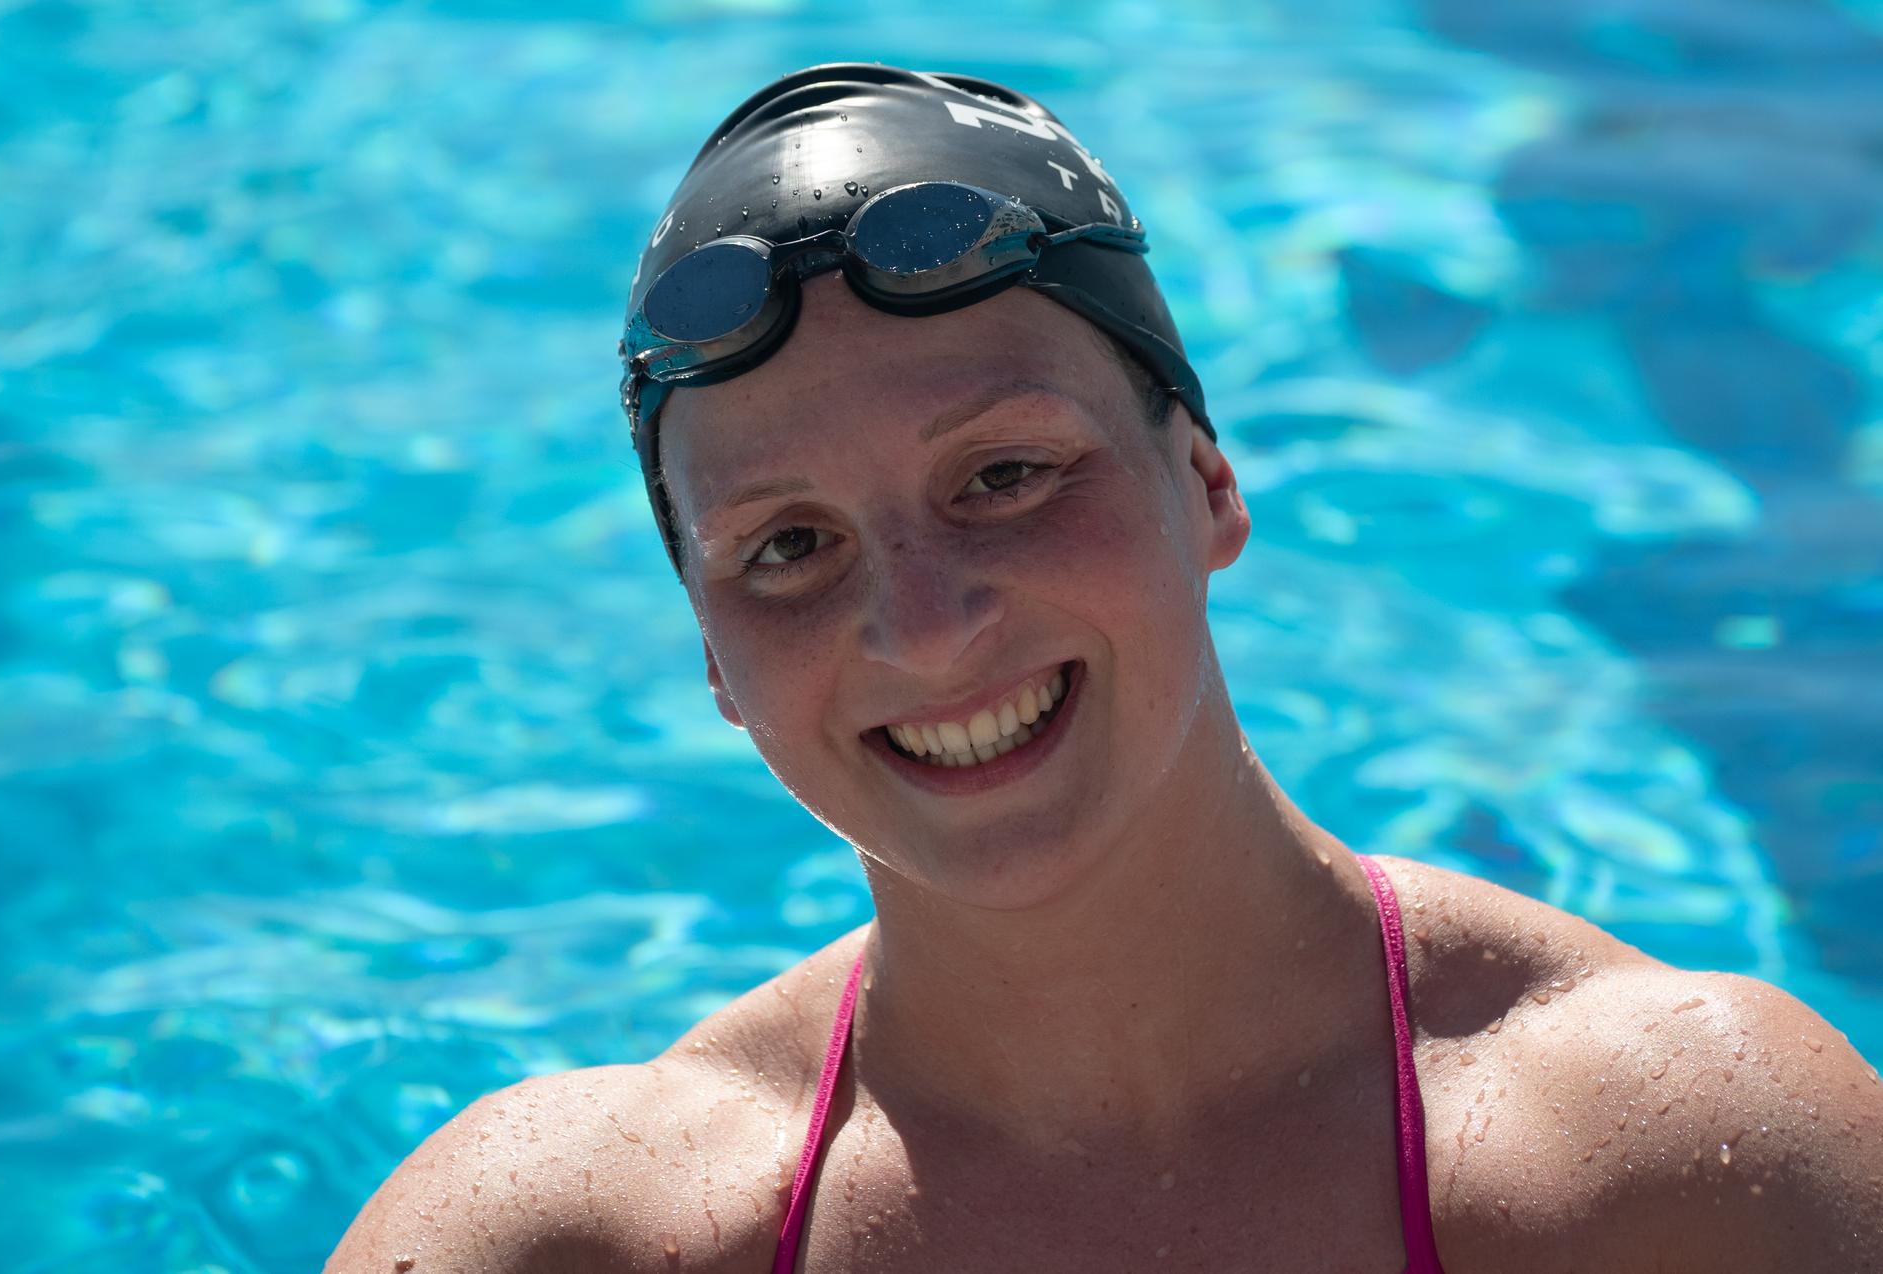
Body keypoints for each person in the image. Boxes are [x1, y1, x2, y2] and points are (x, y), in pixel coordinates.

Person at [326, 64, 1882, 1273]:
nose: (924, 627)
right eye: (787, 549)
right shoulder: (559, 1235)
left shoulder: (1676, 1164)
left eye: (1004, 475)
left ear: (1206, 482)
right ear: (716, 662)